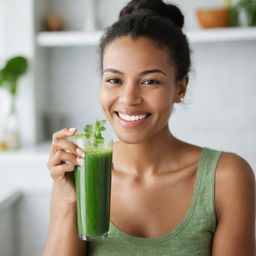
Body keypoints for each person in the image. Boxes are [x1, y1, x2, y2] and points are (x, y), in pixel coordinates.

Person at [43, 0, 256, 255]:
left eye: (150, 81)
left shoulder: (227, 177)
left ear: (180, 88)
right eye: (114, 80)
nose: (128, 98)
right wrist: (69, 199)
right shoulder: (79, 172)